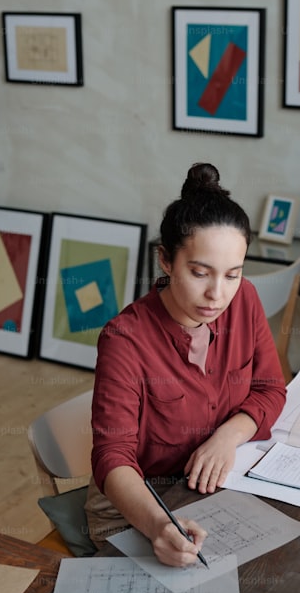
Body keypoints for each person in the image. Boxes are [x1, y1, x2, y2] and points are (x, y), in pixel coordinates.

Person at [85, 162, 287, 567]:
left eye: (233, 274)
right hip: (142, 506)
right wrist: (160, 525)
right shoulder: (125, 340)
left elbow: (270, 388)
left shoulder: (243, 299)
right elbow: (114, 456)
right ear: (166, 261)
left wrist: (226, 437)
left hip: (210, 487)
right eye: (199, 273)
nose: (217, 294)